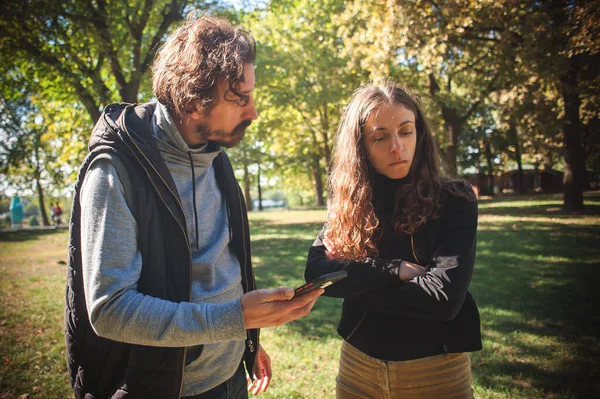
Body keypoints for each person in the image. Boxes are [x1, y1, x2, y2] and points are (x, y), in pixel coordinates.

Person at [65, 13, 323, 399]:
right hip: (163, 388)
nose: (253, 113)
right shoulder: (115, 169)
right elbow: (110, 309)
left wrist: (248, 341)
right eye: (239, 99)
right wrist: (234, 319)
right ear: (191, 99)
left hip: (233, 376)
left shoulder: (216, 156)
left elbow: (222, 266)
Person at [305, 84, 481, 398]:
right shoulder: (350, 202)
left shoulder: (454, 200)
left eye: (406, 131)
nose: (397, 147)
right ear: (361, 146)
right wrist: (392, 270)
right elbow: (317, 273)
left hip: (435, 372)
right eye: (381, 136)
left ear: (420, 135)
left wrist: (354, 283)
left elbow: (442, 299)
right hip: (358, 370)